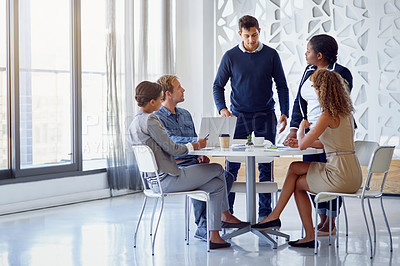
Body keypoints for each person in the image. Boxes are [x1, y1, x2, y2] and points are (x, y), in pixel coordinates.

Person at [129, 81, 247, 250]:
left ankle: (213, 235)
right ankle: (225, 216)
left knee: (218, 183)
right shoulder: (151, 119)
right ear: (153, 102)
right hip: (168, 179)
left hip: (153, 181)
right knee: (218, 169)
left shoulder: (134, 122)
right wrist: (196, 146)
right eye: (158, 98)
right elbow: (172, 148)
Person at [252, 69, 362, 248]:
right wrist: (301, 142)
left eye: (316, 88)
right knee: (295, 168)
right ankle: (275, 217)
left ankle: (302, 232)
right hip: (352, 174)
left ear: (322, 90)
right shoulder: (346, 113)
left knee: (297, 182)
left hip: (338, 174)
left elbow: (304, 145)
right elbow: (330, 143)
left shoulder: (327, 115)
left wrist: (301, 128)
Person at [213, 15, 289, 221]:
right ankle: (228, 214)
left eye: (254, 35)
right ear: (240, 34)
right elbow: (217, 86)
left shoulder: (271, 55)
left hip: (266, 115)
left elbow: (282, 85)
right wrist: (222, 109)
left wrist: (284, 112)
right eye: (247, 36)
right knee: (232, 166)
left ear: (259, 31)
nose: (251, 39)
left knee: (266, 165)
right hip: (238, 117)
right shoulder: (230, 56)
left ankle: (265, 214)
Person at [283, 34, 353, 236]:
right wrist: (295, 129)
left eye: (309, 51)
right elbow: (299, 101)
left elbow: (339, 104)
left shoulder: (340, 73)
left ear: (320, 55)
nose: (305, 54)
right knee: (311, 175)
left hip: (331, 132)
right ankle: (321, 219)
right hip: (311, 134)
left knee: (329, 176)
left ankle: (330, 220)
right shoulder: (308, 71)